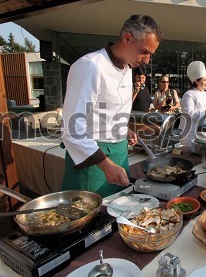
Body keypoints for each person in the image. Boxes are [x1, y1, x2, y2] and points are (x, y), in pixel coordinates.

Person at [60, 15, 162, 197]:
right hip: (92, 161)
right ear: (127, 38)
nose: (147, 60)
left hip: (119, 153)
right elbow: (72, 128)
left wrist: (123, 129)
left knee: (119, 212)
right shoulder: (90, 67)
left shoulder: (127, 69)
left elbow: (106, 112)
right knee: (92, 218)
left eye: (150, 55)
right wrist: (106, 165)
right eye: (144, 52)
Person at [179, 61, 206, 146]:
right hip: (190, 135)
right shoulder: (189, 95)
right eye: (204, 80)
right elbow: (188, 115)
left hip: (205, 134)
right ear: (196, 81)